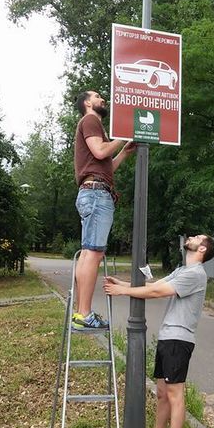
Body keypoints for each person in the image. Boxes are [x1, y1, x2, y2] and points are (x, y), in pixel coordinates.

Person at [103, 234, 214, 428]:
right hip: (168, 337)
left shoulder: (195, 274)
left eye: (197, 237)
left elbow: (158, 293)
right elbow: (154, 286)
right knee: (162, 393)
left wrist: (122, 292)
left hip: (179, 339)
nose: (191, 237)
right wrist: (123, 285)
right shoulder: (182, 270)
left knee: (175, 394)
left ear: (202, 248)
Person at [72, 90, 135, 331]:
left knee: (90, 253)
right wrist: (123, 135)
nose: (103, 99)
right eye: (98, 96)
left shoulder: (95, 126)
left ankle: (81, 312)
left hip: (96, 191)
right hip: (97, 194)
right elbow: (100, 151)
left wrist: (124, 152)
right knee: (93, 253)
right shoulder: (90, 120)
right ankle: (84, 314)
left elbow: (106, 165)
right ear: (87, 103)